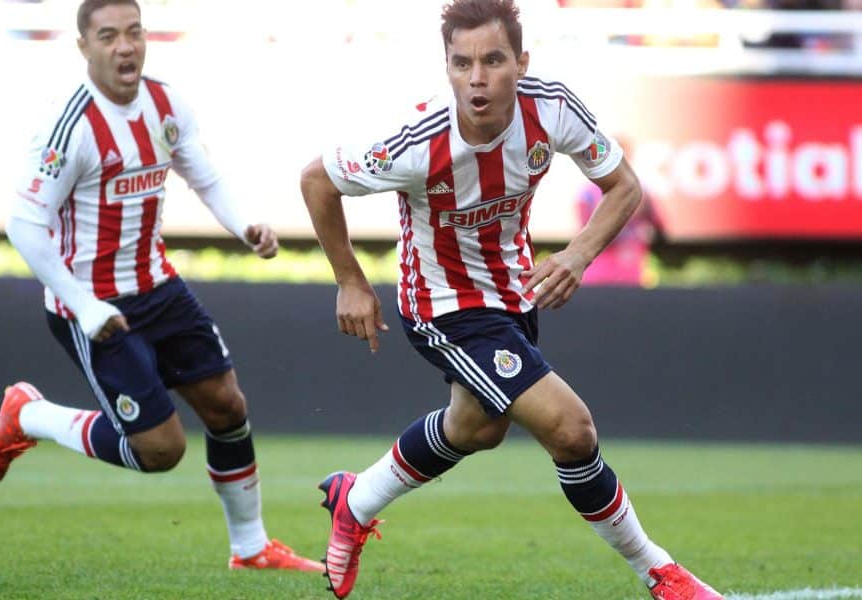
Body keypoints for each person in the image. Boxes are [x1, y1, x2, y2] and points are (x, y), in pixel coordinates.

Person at [300, 1, 723, 598]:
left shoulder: (550, 109)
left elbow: (624, 187)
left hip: (510, 292)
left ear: (520, 63)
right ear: (446, 67)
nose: (477, 78)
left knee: (477, 427)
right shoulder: (417, 141)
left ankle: (356, 498)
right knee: (572, 430)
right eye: (462, 63)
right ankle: (661, 573)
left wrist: (576, 256)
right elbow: (317, 179)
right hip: (442, 303)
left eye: (493, 60)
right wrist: (349, 279)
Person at [0, 0, 322, 574]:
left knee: (226, 405)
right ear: (84, 47)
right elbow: (23, 224)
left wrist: (244, 226)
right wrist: (85, 306)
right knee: (161, 451)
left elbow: (202, 172)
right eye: (109, 36)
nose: (125, 46)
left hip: (158, 287)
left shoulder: (166, 104)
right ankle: (28, 415)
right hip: (90, 303)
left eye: (134, 32)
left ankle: (251, 547)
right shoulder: (70, 127)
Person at [576, 137, 663, 286]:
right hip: (606, 270)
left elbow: (660, 228)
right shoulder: (639, 191)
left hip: (624, 271)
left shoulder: (641, 191)